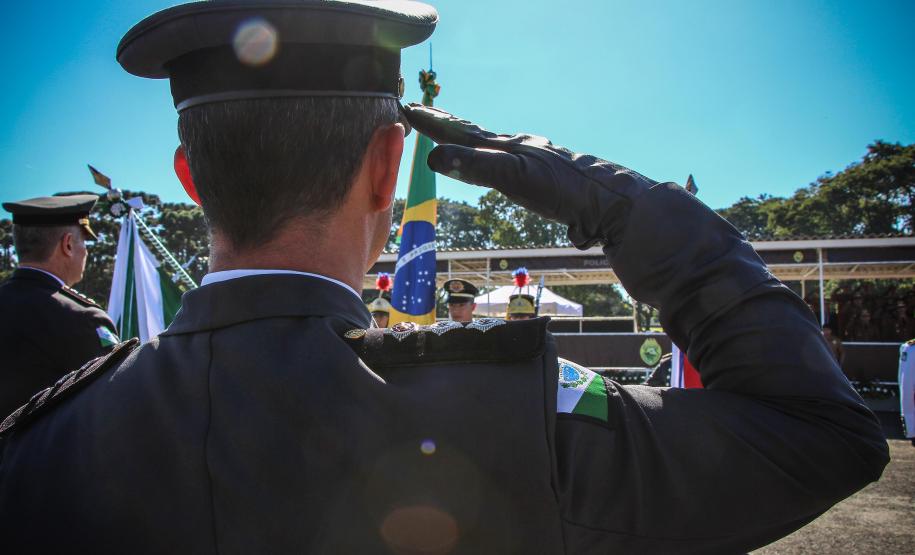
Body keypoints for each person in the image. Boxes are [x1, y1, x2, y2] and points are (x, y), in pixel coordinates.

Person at [0, 1, 888, 553]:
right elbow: (820, 434)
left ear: (190, 179)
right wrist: (618, 207)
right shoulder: (513, 413)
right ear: (390, 168)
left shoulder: (38, 446)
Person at [0, 194, 119, 417]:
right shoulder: (82, 319)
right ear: (67, 244)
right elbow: (114, 403)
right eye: (83, 242)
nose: (85, 251)